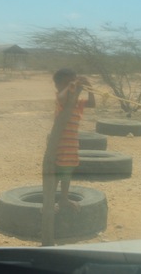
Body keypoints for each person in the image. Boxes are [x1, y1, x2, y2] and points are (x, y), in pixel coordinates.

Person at [52, 68, 95, 211]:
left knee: (67, 172)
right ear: (59, 86)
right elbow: (62, 97)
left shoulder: (76, 102)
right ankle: (50, 201)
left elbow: (92, 103)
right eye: (68, 83)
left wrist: (90, 88)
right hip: (60, 143)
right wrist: (74, 87)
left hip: (72, 143)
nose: (73, 85)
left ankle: (64, 199)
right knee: (56, 173)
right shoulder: (62, 98)